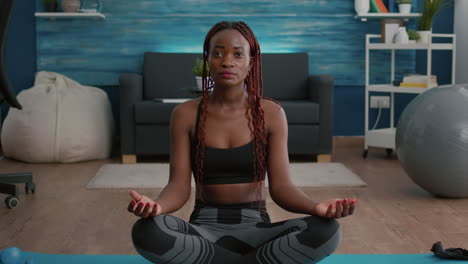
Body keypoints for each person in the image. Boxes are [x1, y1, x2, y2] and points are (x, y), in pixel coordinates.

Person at [128, 21, 358, 264]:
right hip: (203, 232)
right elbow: (178, 186)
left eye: (238, 54)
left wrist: (317, 208)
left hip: (256, 231)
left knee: (327, 230)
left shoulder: (271, 113)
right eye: (218, 53)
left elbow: (282, 189)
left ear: (251, 62)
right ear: (207, 61)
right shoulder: (185, 114)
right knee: (146, 230)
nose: (228, 61)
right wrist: (156, 207)